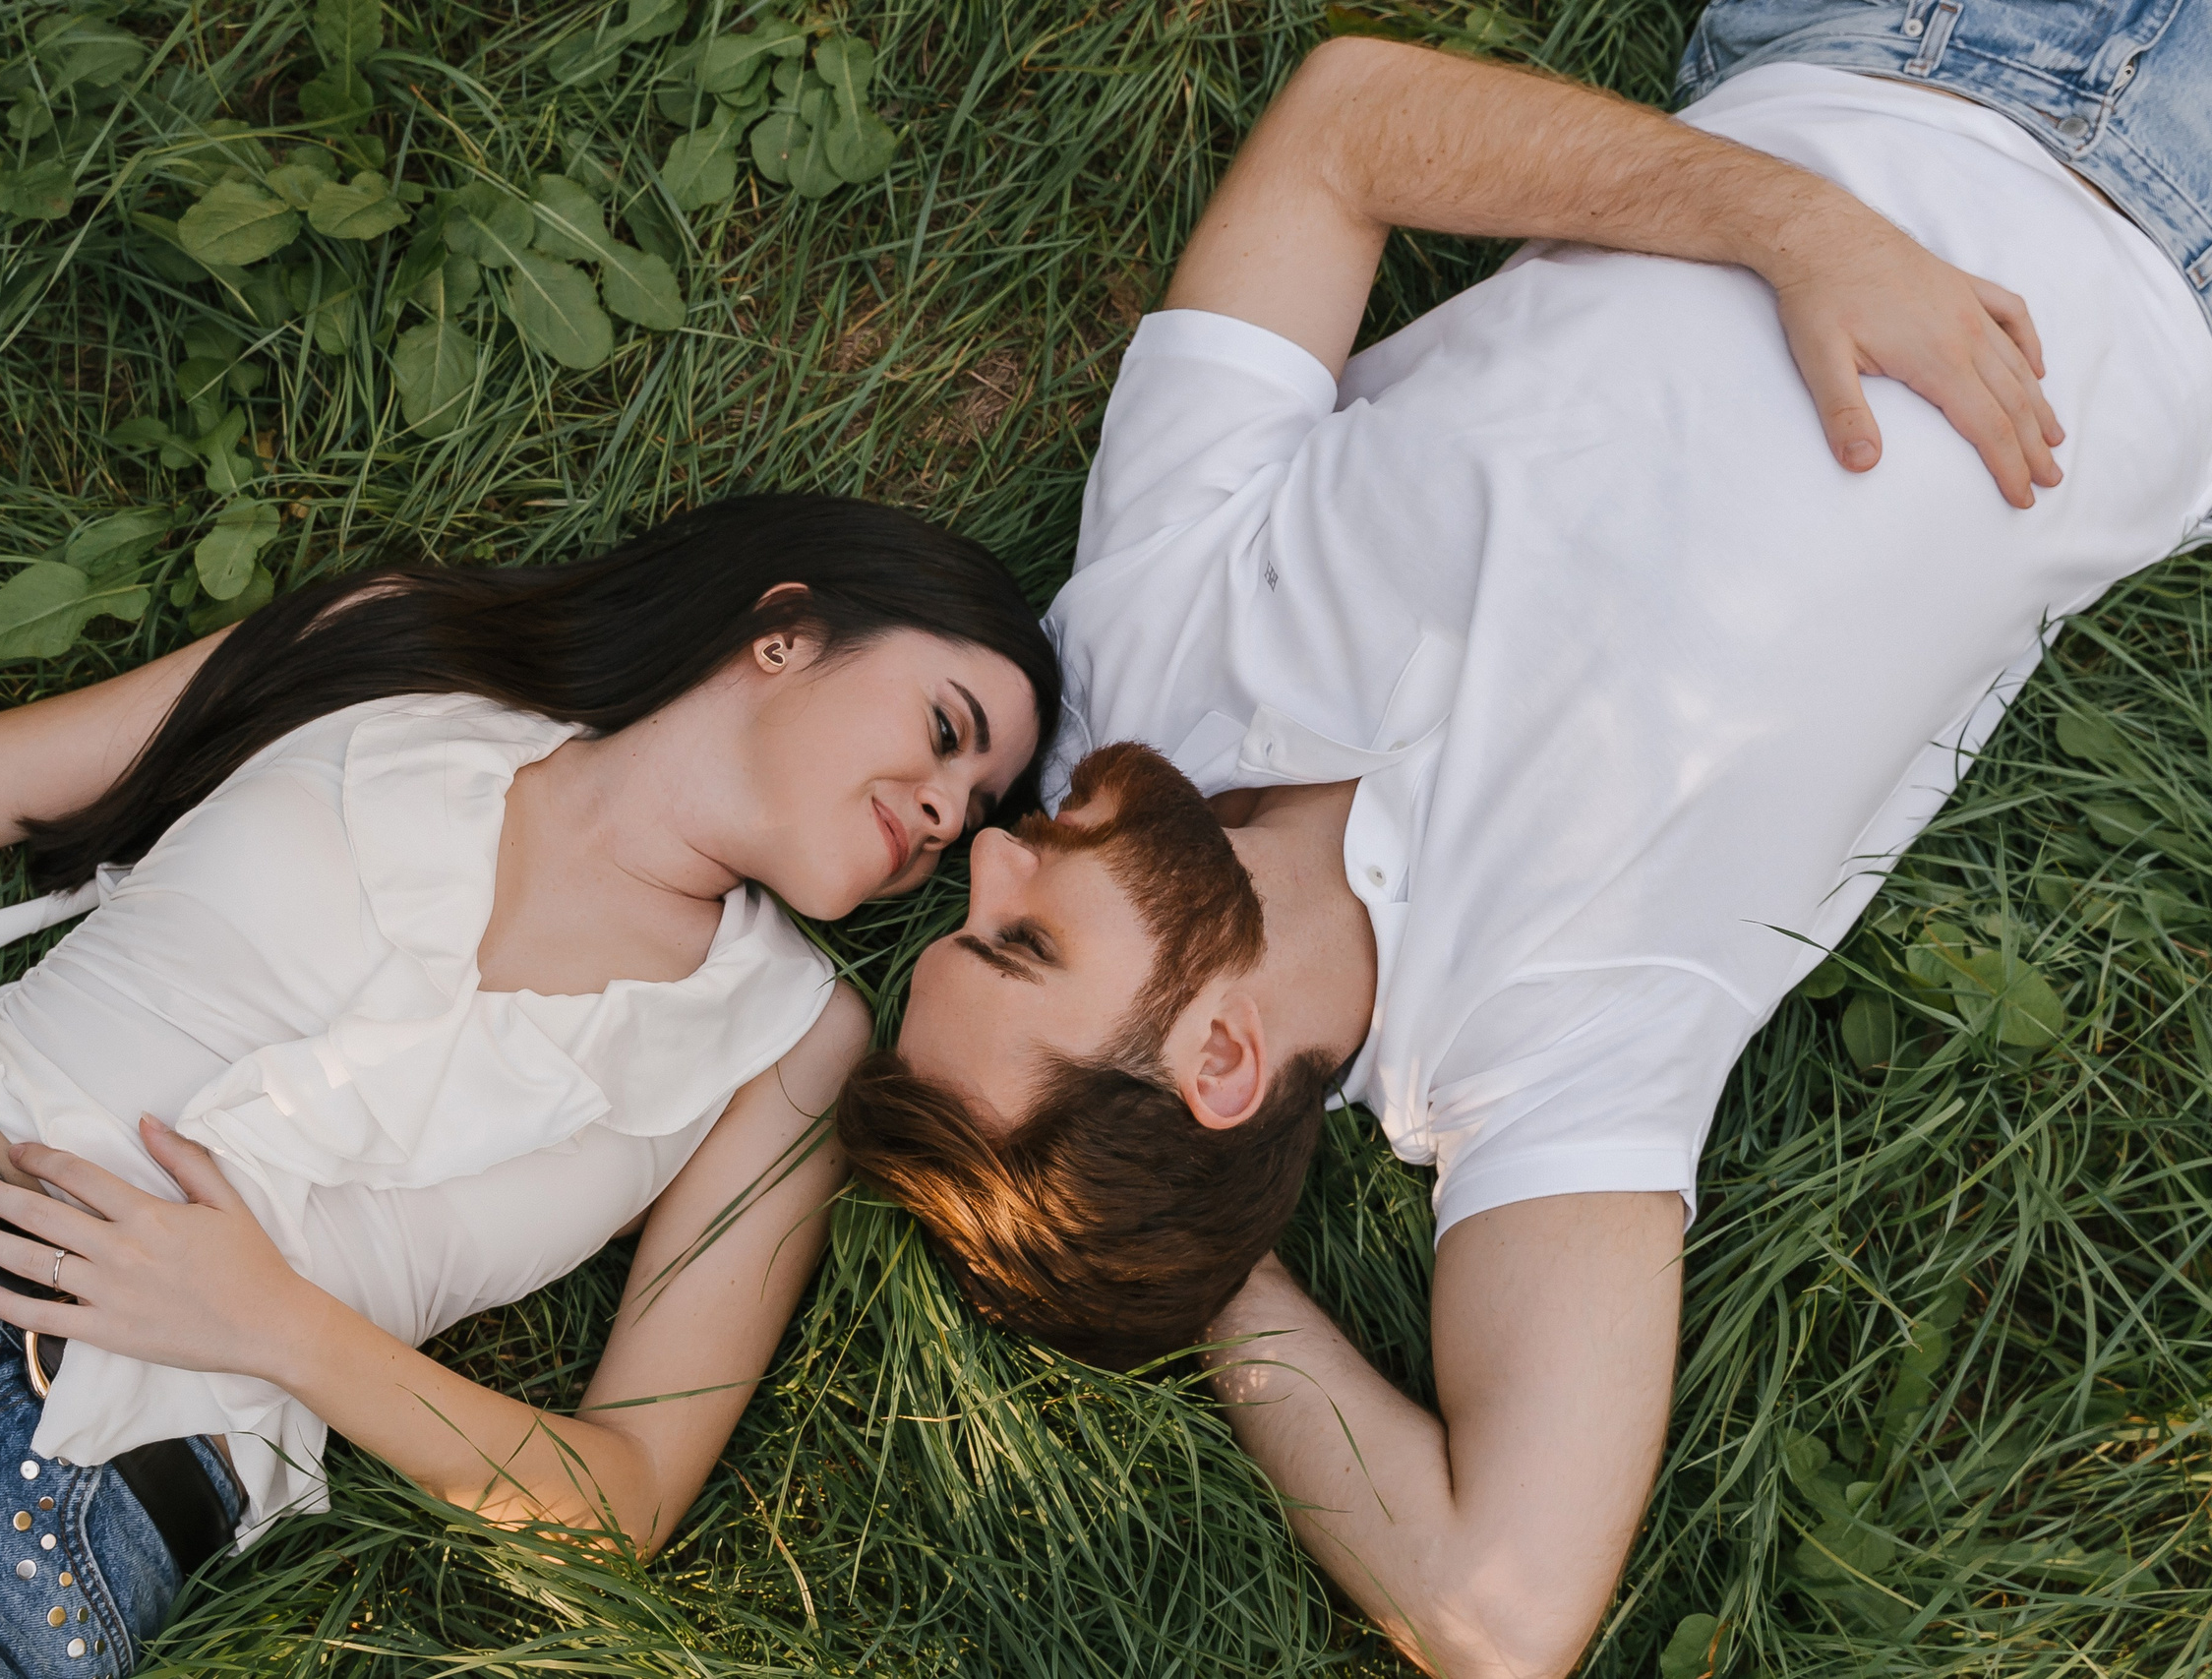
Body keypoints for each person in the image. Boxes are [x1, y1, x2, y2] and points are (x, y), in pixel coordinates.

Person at [840, 3, 2212, 1673]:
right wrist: (1186, 1271)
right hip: (2177, 237)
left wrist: (1801, 226)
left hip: (1872, 35)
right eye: (1024, 943)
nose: (992, 851)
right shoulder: (1547, 1064)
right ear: (1216, 1059)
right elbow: (1501, 1616)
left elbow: (1347, 126)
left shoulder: (1133, 650)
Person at [0, 494, 1056, 1677]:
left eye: (978, 808)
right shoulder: (403, 654)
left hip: (39, 1529)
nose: (946, 812)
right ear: (787, 630)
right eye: (946, 730)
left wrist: (278, 1324)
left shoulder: (797, 1046)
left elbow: (623, 1494)